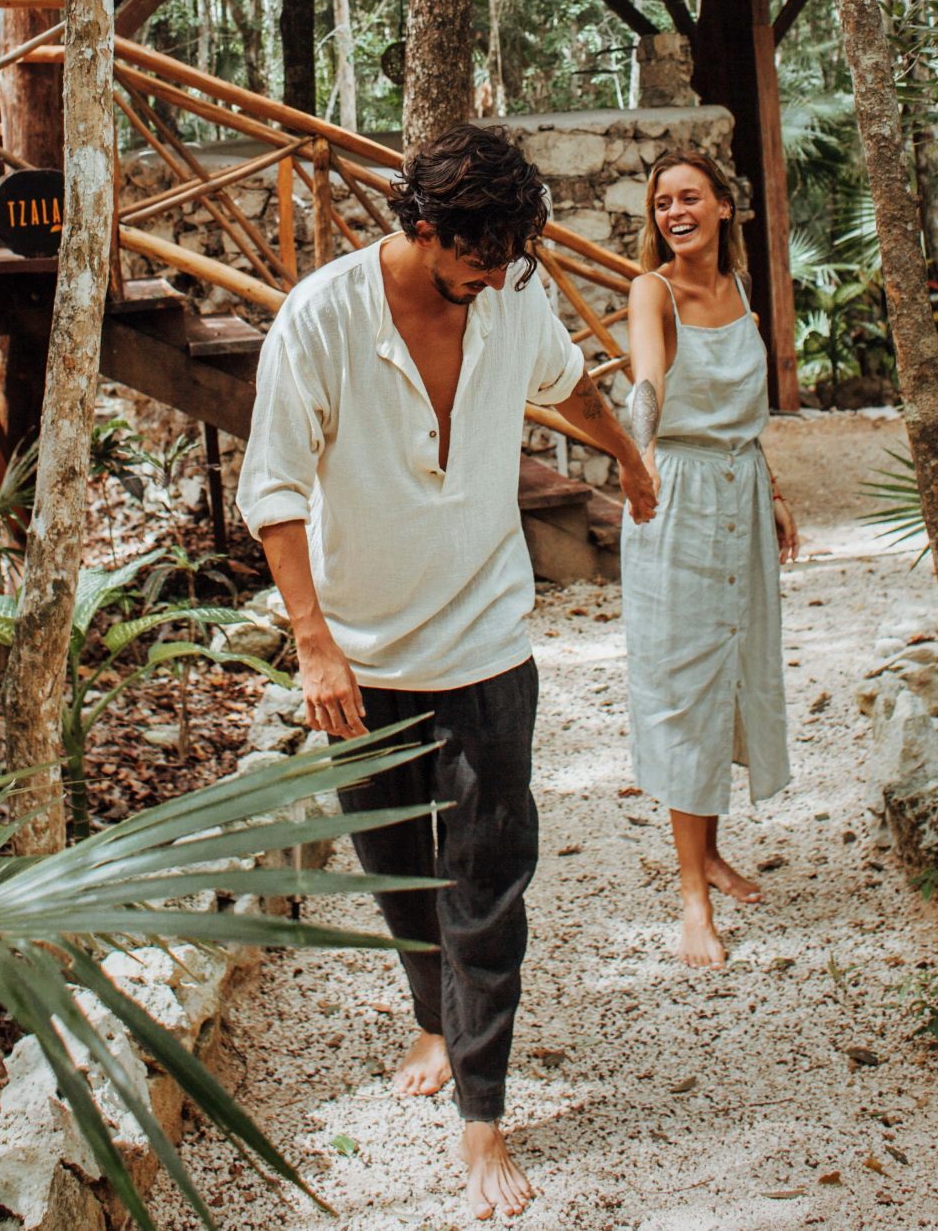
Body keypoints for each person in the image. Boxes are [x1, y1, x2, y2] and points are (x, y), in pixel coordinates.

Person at [236, 123, 657, 1221]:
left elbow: (568, 385)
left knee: (486, 881)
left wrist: (627, 454)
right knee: (395, 866)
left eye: (511, 261)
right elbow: (275, 489)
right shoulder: (321, 318)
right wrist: (314, 642)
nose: (497, 280)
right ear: (421, 228)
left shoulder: (509, 292)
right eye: (480, 260)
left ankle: (482, 1109)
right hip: (364, 658)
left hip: (484, 643)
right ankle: (435, 1014)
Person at [621, 150, 797, 969]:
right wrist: (642, 446)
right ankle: (691, 894)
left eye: (690, 197)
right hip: (679, 496)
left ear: (726, 207)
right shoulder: (652, 289)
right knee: (685, 681)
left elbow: (750, 414)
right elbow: (648, 376)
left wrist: (778, 491)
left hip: (743, 491)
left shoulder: (740, 291)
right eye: (663, 202)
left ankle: (713, 852)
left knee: (731, 667)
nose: (675, 211)